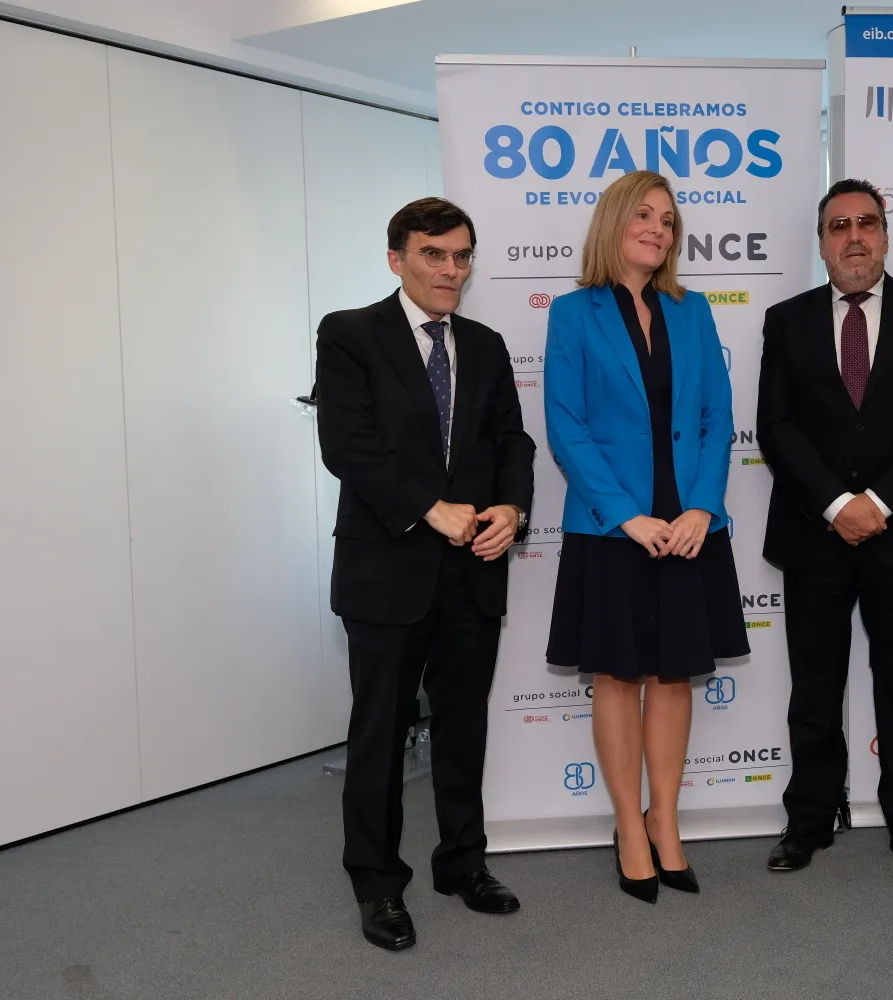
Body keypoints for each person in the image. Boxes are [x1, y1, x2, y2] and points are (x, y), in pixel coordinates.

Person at [315, 197, 535, 950]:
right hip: (387, 567)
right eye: (435, 254)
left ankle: (462, 864)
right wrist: (429, 508)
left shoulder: (487, 342)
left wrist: (511, 507)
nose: (451, 269)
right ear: (396, 258)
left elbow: (514, 440)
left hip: (473, 567)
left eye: (463, 255)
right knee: (380, 729)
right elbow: (348, 446)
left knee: (463, 726)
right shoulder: (349, 335)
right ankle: (377, 882)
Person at [544, 170, 748, 903]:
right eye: (644, 215)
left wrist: (700, 508)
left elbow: (718, 417)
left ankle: (667, 822)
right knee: (618, 675)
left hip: (689, 524)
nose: (658, 229)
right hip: (612, 525)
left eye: (667, 219)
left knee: (672, 675)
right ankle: (628, 825)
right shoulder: (573, 313)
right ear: (614, 222)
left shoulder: (692, 313)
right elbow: (565, 425)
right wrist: (626, 515)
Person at [756, 179, 893, 882]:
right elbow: (776, 427)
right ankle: (809, 819)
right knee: (814, 688)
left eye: (866, 224)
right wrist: (835, 505)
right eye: (838, 226)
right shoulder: (786, 321)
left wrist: (879, 500)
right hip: (814, 536)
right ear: (820, 243)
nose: (854, 237)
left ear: (885, 235)